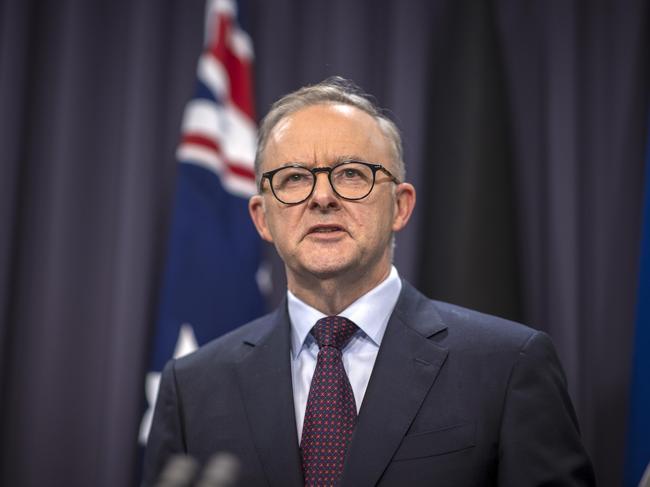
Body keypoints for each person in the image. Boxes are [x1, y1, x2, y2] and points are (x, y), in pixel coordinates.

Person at [143, 77, 595, 486]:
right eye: (295, 178)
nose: (322, 198)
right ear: (262, 217)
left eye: (352, 175)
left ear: (400, 205)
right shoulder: (193, 387)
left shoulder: (508, 365)